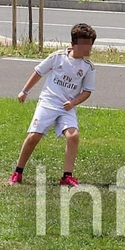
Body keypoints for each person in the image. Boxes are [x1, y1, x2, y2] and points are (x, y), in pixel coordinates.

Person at [8, 23, 97, 188]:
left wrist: (73, 103)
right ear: (74, 44)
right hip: (48, 102)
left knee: (73, 136)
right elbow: (39, 72)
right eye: (87, 45)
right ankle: (17, 172)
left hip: (67, 107)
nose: (90, 49)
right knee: (34, 136)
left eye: (91, 45)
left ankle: (67, 176)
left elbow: (87, 91)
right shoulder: (58, 57)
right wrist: (24, 91)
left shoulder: (88, 67)